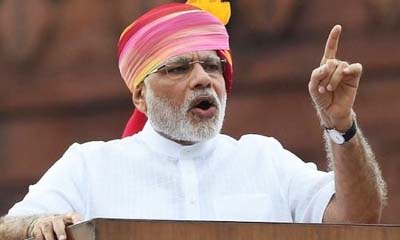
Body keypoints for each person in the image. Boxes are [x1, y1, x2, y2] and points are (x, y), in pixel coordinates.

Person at [0, 1, 387, 240]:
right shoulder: (90, 164)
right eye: (179, 68)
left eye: (213, 66)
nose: (203, 78)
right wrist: (36, 226)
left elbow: (358, 219)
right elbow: (9, 228)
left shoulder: (263, 158)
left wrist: (341, 125)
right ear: (140, 96)